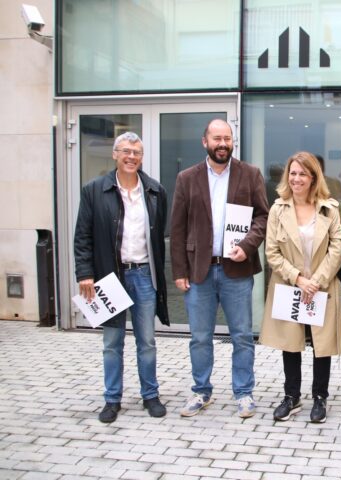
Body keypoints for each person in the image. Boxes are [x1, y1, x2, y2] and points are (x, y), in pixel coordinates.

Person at [170, 119, 269, 418]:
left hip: (236, 271)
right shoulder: (187, 178)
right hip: (200, 272)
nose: (223, 143)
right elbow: (177, 228)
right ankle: (201, 391)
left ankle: (244, 393)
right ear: (205, 142)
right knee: (200, 337)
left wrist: (248, 245)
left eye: (227, 138)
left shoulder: (250, 174)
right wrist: (179, 271)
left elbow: (262, 218)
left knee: (241, 335)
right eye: (217, 138)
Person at [74, 132, 169, 423]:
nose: (131, 157)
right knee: (112, 342)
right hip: (109, 277)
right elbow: (83, 236)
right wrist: (85, 273)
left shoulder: (154, 191)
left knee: (147, 341)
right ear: (115, 154)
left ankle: (150, 395)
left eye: (137, 152)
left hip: (143, 275)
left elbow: (158, 234)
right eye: (126, 151)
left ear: (142, 157)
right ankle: (112, 399)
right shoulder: (94, 190)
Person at [260, 152, 341, 423]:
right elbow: (272, 252)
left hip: (321, 287)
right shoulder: (278, 209)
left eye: (303, 174)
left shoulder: (328, 208)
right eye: (293, 173)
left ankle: (320, 397)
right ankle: (291, 396)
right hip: (290, 285)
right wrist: (298, 278)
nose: (296, 179)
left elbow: (339, 245)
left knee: (321, 345)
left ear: (313, 178)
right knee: (291, 343)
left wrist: (317, 281)